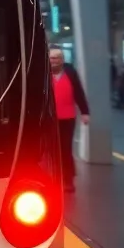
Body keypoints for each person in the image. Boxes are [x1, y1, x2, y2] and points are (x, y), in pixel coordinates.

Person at [49, 47, 89, 194]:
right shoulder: (43, 75)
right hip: (49, 120)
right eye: (51, 58)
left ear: (62, 60)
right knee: (52, 151)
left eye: (57, 58)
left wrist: (85, 112)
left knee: (65, 150)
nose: (53, 61)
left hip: (68, 118)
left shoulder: (71, 73)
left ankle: (68, 180)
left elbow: (79, 92)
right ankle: (53, 179)